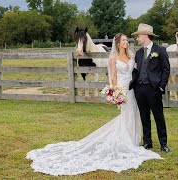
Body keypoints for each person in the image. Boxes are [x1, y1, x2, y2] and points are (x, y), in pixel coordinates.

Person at [26, 33, 162, 176]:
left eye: (127, 40)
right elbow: (113, 76)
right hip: (122, 88)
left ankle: (133, 140)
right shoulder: (113, 57)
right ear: (117, 43)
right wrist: (116, 92)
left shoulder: (132, 55)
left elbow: (137, 69)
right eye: (123, 40)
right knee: (126, 114)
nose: (126, 42)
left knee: (134, 113)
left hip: (133, 89)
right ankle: (126, 142)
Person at [129, 23, 171, 153]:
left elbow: (166, 69)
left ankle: (163, 143)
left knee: (158, 116)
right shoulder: (139, 52)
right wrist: (135, 83)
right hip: (139, 89)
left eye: (139, 36)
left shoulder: (160, 51)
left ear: (146, 36)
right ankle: (147, 142)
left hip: (154, 89)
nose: (137, 39)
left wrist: (161, 87)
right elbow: (136, 69)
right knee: (144, 116)